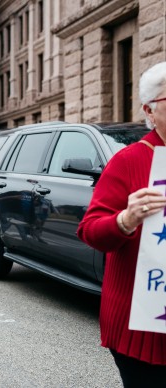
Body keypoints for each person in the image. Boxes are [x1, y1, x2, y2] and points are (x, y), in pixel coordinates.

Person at [77, 62, 166, 386]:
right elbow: (90, 230)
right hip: (141, 326)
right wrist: (125, 219)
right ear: (149, 110)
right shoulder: (129, 160)